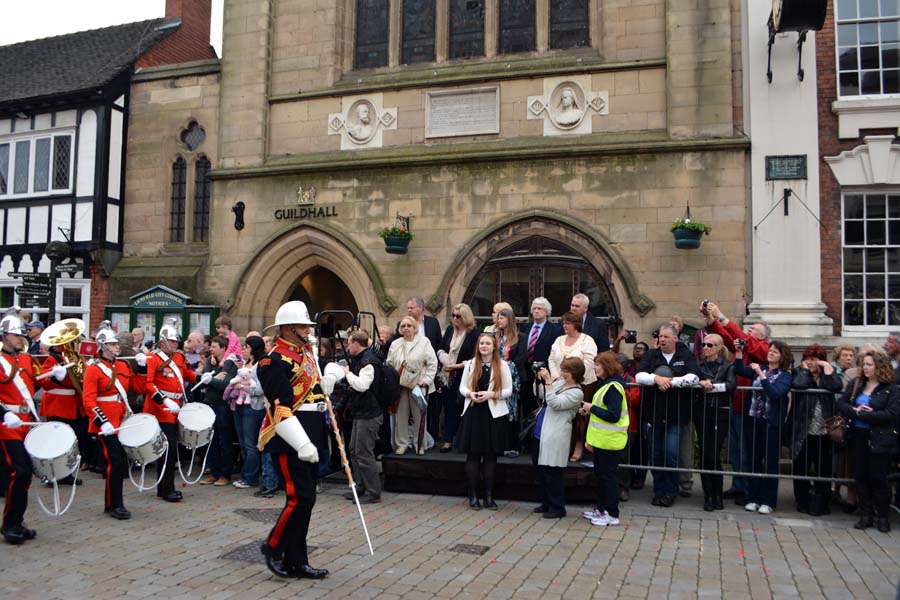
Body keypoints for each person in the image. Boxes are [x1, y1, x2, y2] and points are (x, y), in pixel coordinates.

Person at [256, 301, 329, 579]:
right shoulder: (272, 360)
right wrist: (301, 443)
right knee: (298, 498)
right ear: (288, 328)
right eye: (303, 326)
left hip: (310, 431)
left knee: (307, 499)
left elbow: (314, 392)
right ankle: (273, 547)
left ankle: (297, 560)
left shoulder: (306, 354)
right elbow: (280, 408)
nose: (308, 331)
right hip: (289, 436)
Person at [704, 301, 770, 505]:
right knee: (734, 449)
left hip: (751, 409)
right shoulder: (743, 347)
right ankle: (737, 485)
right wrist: (710, 318)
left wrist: (721, 315)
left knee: (746, 449)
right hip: (735, 404)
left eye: (754, 330)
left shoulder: (763, 349)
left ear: (763, 337)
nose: (749, 331)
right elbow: (724, 337)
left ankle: (747, 488)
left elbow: (742, 339)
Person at [635, 324, 699, 507]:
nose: (661, 339)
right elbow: (639, 376)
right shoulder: (651, 355)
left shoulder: (685, 355)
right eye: (660, 336)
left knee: (671, 454)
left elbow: (694, 376)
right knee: (655, 454)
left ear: (675, 338)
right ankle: (659, 490)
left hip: (676, 415)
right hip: (654, 413)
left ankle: (671, 491)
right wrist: (656, 379)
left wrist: (671, 382)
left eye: (665, 336)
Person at [836, 351, 900, 532]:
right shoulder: (857, 384)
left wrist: (869, 414)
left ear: (879, 366)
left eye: (869, 364)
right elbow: (842, 404)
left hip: (879, 437)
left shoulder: (891, 388)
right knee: (860, 476)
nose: (865, 367)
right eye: (864, 364)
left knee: (878, 478)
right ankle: (866, 514)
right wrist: (856, 411)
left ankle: (882, 516)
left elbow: (891, 414)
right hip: (858, 435)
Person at [139, 318, 196, 502]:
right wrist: (163, 400)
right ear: (162, 341)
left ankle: (166, 487)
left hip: (176, 408)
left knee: (172, 450)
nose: (175, 343)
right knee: (168, 451)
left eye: (176, 341)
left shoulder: (178, 357)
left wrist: (204, 377)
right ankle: (165, 489)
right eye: (172, 341)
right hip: (160, 409)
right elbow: (148, 384)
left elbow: (186, 374)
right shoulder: (153, 357)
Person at [733, 339, 793, 515]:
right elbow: (740, 370)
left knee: (770, 463)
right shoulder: (762, 369)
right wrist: (738, 353)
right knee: (754, 460)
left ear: (782, 357)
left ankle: (768, 500)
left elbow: (774, 393)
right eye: (771, 350)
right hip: (754, 420)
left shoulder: (785, 376)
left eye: (775, 351)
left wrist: (761, 374)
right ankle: (753, 497)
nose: (771, 353)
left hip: (771, 424)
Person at [81, 322, 134, 519]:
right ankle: (113, 505)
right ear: (102, 346)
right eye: (113, 345)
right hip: (105, 422)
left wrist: (144, 367)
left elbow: (135, 385)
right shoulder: (94, 369)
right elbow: (88, 400)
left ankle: (115, 503)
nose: (117, 347)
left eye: (117, 344)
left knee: (120, 462)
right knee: (115, 461)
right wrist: (102, 420)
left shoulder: (122, 365)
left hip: (121, 419)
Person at [457, 334, 512, 510]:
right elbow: (463, 386)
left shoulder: (502, 365)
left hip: (493, 414)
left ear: (494, 346)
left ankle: (489, 496)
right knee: (473, 455)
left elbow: (508, 390)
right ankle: (473, 496)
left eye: (488, 343)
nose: (484, 346)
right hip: (474, 412)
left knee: (490, 457)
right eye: (481, 343)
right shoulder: (471, 364)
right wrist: (470, 394)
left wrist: (491, 395)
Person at [788, 344, 843, 516]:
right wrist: (804, 371)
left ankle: (822, 502)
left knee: (823, 468)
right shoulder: (799, 372)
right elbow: (799, 385)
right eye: (808, 359)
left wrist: (828, 369)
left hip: (824, 430)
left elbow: (836, 386)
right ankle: (802, 501)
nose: (810, 362)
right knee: (801, 466)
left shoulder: (826, 374)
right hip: (803, 429)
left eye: (814, 359)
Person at [0, 309, 39, 544]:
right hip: (7, 424)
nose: (21, 339)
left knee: (26, 475)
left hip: (25, 422)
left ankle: (18, 520)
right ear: (4, 336)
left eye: (22, 335)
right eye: (16, 336)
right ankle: (10, 524)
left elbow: (34, 381)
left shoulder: (24, 359)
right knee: (20, 470)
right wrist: (4, 414)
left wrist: (53, 376)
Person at [531, 357, 583, 518]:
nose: (563, 373)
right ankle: (546, 503)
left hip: (556, 434)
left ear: (575, 373)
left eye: (566, 370)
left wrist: (548, 381)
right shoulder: (560, 384)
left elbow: (555, 403)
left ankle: (557, 507)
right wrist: (539, 379)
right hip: (541, 431)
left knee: (553, 472)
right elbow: (541, 395)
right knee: (541, 470)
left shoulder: (577, 392)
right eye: (562, 369)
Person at [582, 352, 628, 526]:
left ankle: (612, 513)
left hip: (610, 441)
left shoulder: (613, 387)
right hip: (602, 440)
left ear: (607, 367)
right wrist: (590, 409)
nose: (595, 368)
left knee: (608, 477)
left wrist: (591, 407)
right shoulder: (606, 384)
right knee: (601, 476)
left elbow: (613, 415)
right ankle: (601, 509)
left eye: (598, 365)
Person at [548, 311, 598, 462]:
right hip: (561, 384)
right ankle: (565, 445)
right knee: (563, 415)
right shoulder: (559, 340)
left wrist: (574, 379)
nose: (565, 326)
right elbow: (551, 359)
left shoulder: (587, 340)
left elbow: (589, 362)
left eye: (568, 323)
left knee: (580, 417)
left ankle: (579, 446)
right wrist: (558, 376)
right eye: (564, 323)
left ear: (576, 325)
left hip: (583, 383)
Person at [693, 333, 735, 511]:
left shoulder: (727, 366)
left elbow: (731, 385)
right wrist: (701, 383)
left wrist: (712, 386)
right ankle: (708, 495)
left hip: (721, 412)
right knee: (704, 453)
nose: (705, 348)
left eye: (710, 345)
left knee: (714, 454)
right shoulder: (699, 365)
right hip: (702, 411)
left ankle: (718, 494)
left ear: (718, 347)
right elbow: (693, 380)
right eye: (704, 344)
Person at [341, 331, 383, 504]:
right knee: (354, 450)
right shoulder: (361, 359)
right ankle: (360, 486)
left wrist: (347, 374)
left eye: (349, 343)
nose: (348, 346)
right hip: (361, 412)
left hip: (370, 414)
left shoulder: (369, 362)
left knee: (364, 452)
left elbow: (362, 385)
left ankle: (373, 492)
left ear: (357, 343)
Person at [38, 332, 86, 485]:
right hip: (58, 405)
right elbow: (43, 379)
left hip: (74, 404)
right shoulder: (53, 359)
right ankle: (52, 474)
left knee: (71, 441)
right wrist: (55, 376)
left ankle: (66, 473)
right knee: (55, 442)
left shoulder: (75, 358)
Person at [387, 316, 438, 455]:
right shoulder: (395, 343)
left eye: (409, 325)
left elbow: (433, 363)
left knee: (419, 417)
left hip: (418, 385)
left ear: (415, 328)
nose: (406, 328)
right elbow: (390, 364)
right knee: (400, 417)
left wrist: (426, 380)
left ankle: (419, 444)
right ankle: (402, 444)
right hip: (400, 385)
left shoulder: (424, 342)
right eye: (403, 326)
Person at [436, 304, 479, 452]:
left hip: (465, 375)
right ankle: (448, 440)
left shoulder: (474, 333)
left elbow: (475, 357)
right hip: (448, 375)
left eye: (458, 316)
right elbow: (440, 347)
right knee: (448, 408)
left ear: (465, 317)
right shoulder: (449, 330)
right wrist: (444, 359)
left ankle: (463, 441)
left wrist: (456, 366)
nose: (455, 319)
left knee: (463, 408)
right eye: (453, 316)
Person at [197, 336, 239, 486]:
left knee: (225, 440)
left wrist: (211, 380)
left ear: (223, 348)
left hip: (223, 405)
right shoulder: (210, 361)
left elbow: (226, 385)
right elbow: (203, 379)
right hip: (210, 403)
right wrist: (214, 378)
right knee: (211, 440)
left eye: (214, 346)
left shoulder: (231, 364)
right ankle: (214, 472)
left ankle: (225, 474)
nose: (211, 349)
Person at [230, 336, 267, 490]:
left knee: (251, 444)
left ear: (252, 348)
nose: (243, 349)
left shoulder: (260, 365)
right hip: (239, 406)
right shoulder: (245, 364)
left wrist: (243, 387)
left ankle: (250, 477)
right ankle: (246, 474)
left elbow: (261, 389)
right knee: (243, 443)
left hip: (253, 407)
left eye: (245, 346)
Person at [521, 297, 562, 421]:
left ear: (547, 312)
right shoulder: (525, 328)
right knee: (526, 407)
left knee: (541, 408)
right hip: (525, 373)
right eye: (534, 308)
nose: (536, 311)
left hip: (543, 374)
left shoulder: (555, 330)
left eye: (539, 308)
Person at [830, 343, 857, 513]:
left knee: (845, 459)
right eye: (845, 355)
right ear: (838, 356)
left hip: (848, 420)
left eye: (851, 355)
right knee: (836, 457)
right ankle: (835, 489)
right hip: (835, 419)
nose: (848, 358)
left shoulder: (855, 373)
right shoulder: (833, 371)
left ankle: (841, 490)